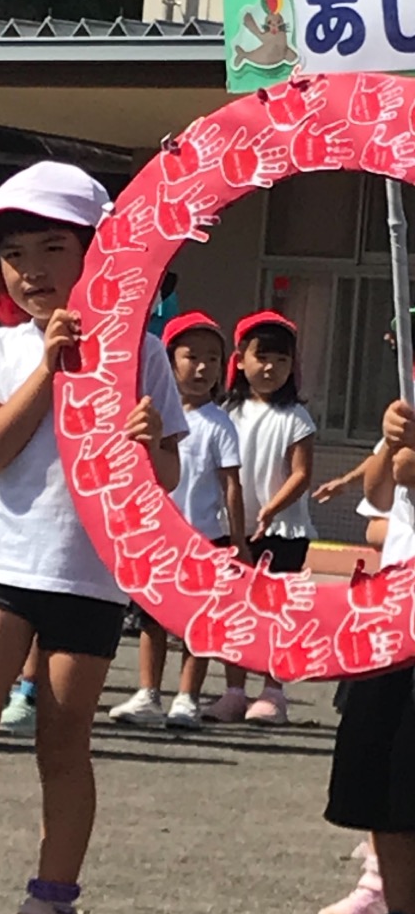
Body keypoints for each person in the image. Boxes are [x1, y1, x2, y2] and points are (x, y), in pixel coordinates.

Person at [0, 161, 187, 914]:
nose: (31, 270)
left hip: (89, 571)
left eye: (52, 249)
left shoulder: (143, 353)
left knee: (63, 742)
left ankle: (52, 908)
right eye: (15, 255)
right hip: (2, 561)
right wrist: (47, 366)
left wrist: (150, 444)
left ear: (97, 251)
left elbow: (165, 476)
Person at [109, 311, 246, 730]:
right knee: (152, 619)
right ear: (168, 362)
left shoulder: (220, 423)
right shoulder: (151, 417)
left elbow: (231, 485)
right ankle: (148, 693)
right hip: (158, 535)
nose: (202, 368)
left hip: (205, 538)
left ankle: (187, 697)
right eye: (192, 357)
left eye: (212, 358)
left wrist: (238, 541)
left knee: (198, 622)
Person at [323, 394, 415, 914]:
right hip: (394, 618)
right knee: (386, 783)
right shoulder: (409, 408)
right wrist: (389, 442)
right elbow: (379, 499)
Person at [204, 310, 316, 727]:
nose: (271, 368)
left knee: (277, 611)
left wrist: (272, 508)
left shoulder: (296, 417)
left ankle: (273, 691)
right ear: (240, 359)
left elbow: (301, 474)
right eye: (262, 357)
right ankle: (234, 691)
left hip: (283, 531)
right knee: (234, 609)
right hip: (232, 527)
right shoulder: (225, 411)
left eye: (281, 360)